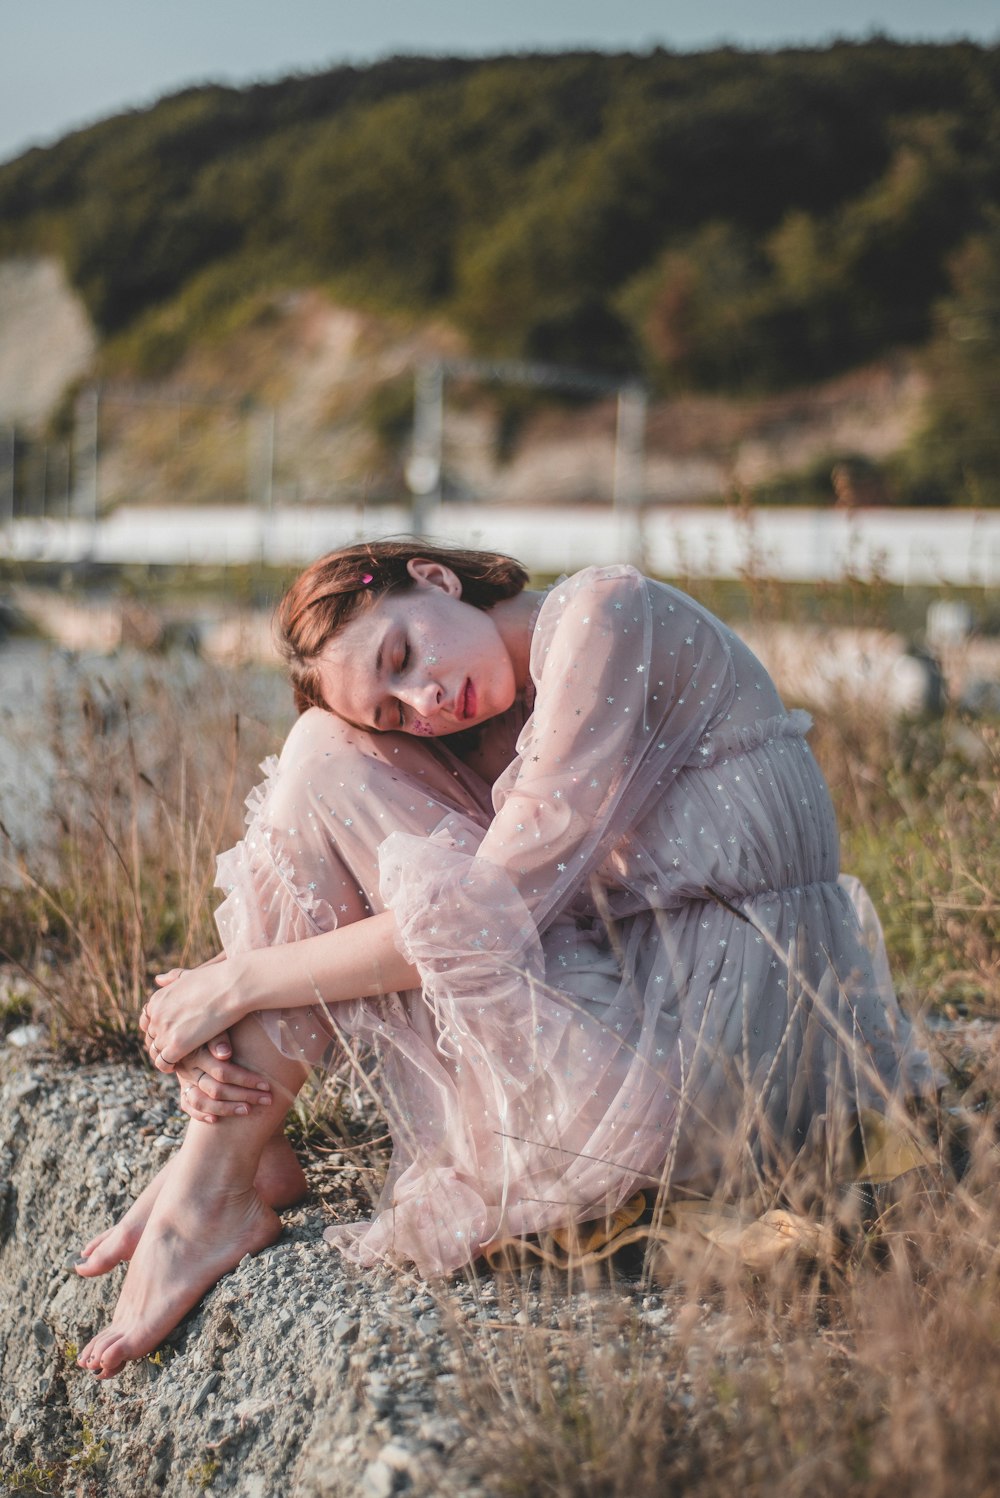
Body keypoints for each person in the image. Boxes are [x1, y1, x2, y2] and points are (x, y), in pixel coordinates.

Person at [75, 540, 934, 1378]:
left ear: (437, 577)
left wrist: (234, 983)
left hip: (719, 1045)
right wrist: (228, 1001)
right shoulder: (486, 717)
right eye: (396, 709)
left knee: (324, 762)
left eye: (404, 653)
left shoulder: (604, 617)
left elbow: (481, 920)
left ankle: (216, 1175)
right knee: (317, 749)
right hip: (655, 1005)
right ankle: (224, 1149)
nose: (426, 700)